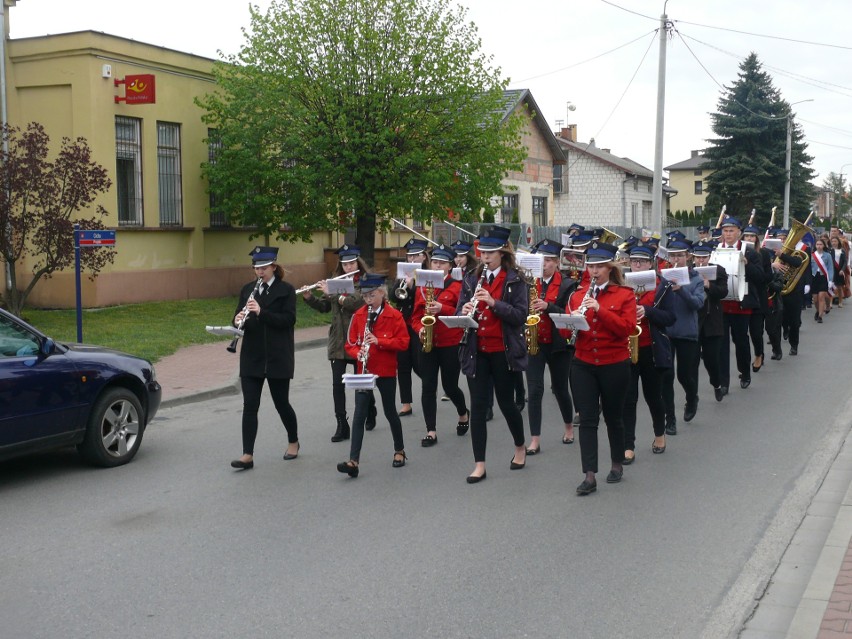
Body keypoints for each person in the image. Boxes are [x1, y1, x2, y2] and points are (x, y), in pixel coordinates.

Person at [457, 225, 529, 484]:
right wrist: (464, 311)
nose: (484, 257)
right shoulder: (471, 279)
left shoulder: (516, 280)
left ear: (502, 252)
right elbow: (457, 314)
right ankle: (479, 464)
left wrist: (493, 303)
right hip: (477, 351)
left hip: (503, 351)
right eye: (482, 251)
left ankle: (520, 446)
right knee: (477, 407)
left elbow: (520, 315)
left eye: (490, 252)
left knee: (507, 404)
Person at [565, 241, 636, 496]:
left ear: (609, 267)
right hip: (583, 363)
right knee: (587, 419)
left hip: (614, 364)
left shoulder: (624, 295)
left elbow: (626, 328)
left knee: (613, 417)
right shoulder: (577, 295)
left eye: (598, 266)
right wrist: (568, 323)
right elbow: (566, 331)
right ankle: (589, 475)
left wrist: (600, 310)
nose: (593, 271)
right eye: (590, 266)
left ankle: (617, 463)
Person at [230, 246, 299, 470]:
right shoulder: (248, 289)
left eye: (263, 268)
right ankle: (247, 454)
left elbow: (287, 320)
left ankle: (293, 440)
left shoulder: (286, 290)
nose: (259, 272)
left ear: (273, 267)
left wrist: (261, 312)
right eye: (256, 268)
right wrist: (238, 319)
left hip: (278, 355)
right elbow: (239, 317)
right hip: (253, 355)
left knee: (282, 404)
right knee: (250, 405)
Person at [337, 274, 410, 478]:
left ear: (382, 293)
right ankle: (353, 461)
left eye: (371, 295)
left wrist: (380, 342)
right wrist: (357, 353)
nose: (367, 299)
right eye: (364, 295)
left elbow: (403, 343)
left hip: (385, 370)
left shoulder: (394, 316)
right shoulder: (359, 315)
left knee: (390, 412)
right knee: (359, 413)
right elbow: (350, 343)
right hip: (364, 371)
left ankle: (399, 450)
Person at [302, 244, 375, 442]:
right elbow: (325, 307)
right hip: (338, 341)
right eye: (345, 264)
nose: (349, 268)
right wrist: (310, 298)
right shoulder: (335, 282)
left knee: (362, 380)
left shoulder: (365, 282)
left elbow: (355, 303)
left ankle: (371, 408)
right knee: (337, 385)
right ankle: (342, 424)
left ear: (357, 262)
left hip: (358, 339)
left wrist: (334, 293)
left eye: (352, 263)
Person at [523, 239, 578, 455]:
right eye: (541, 260)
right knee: (535, 390)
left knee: (560, 388)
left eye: (548, 260)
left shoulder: (567, 285)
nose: (543, 264)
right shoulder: (528, 283)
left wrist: (548, 306)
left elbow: (568, 313)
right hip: (535, 342)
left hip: (558, 345)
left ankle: (568, 427)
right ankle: (535, 439)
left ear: (556, 262)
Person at [411, 244, 469, 446]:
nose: (437, 266)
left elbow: (463, 312)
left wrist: (442, 307)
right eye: (434, 262)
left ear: (450, 265)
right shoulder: (423, 285)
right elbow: (416, 316)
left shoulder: (457, 285)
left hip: (450, 342)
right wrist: (419, 328)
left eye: (442, 263)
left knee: (450, 386)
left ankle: (463, 412)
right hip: (427, 341)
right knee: (428, 386)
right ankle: (431, 431)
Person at [621, 240, 674, 462]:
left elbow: (670, 318)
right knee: (628, 399)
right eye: (634, 262)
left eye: (642, 262)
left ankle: (659, 434)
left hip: (652, 351)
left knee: (654, 397)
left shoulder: (663, 286)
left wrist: (648, 311)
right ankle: (628, 445)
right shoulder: (622, 286)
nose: (638, 266)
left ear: (651, 264)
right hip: (627, 350)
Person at [660, 238, 705, 434]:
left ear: (688, 257)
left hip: (687, 333)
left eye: (680, 255)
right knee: (666, 377)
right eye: (672, 255)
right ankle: (670, 419)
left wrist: (681, 290)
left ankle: (692, 397)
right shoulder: (663, 278)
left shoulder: (696, 279)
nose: (676, 259)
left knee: (684, 375)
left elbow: (697, 304)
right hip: (666, 333)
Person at [717, 217, 764, 393]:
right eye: (725, 230)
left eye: (731, 231)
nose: (728, 234)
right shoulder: (716, 250)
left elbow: (759, 277)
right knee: (721, 344)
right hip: (721, 305)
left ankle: (745, 373)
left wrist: (747, 263)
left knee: (741, 341)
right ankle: (723, 382)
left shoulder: (749, 251)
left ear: (739, 232)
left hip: (741, 305)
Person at [390, 238, 428, 417]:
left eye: (417, 256)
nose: (412, 260)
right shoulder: (402, 273)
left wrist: (413, 286)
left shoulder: (429, 274)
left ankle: (430, 386)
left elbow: (425, 298)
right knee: (402, 364)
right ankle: (406, 402)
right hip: (402, 323)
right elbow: (393, 296)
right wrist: (401, 282)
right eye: (410, 256)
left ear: (424, 256)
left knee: (419, 363)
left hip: (419, 323)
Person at [691, 240, 729, 400]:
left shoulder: (718, 271)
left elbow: (723, 292)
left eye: (704, 257)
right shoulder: (687, 272)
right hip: (693, 323)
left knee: (711, 359)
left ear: (709, 257)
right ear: (693, 257)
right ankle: (692, 397)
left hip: (712, 322)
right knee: (691, 363)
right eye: (698, 257)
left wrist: (709, 285)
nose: (701, 261)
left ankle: (716, 383)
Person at [741, 224, 773, 374]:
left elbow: (766, 277)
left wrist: (749, 266)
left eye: (751, 236)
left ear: (756, 239)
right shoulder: (739, 252)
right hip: (743, 296)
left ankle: (759, 354)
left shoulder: (764, 254)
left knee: (756, 331)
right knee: (742, 333)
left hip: (758, 297)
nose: (749, 239)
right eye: (746, 236)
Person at [774, 227, 808, 357]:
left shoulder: (795, 252)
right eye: (780, 239)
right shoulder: (771, 252)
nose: (782, 241)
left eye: (784, 238)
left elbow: (798, 262)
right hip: (777, 289)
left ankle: (794, 345)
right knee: (779, 319)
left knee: (794, 321)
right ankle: (777, 347)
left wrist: (782, 255)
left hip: (794, 290)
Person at [811, 237, 834, 323]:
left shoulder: (827, 255)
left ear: (824, 245)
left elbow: (830, 268)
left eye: (821, 244)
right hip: (814, 277)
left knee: (821, 297)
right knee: (815, 299)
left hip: (823, 277)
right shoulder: (812, 255)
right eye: (817, 244)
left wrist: (830, 280)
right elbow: (809, 268)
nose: (819, 246)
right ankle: (818, 310)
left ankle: (820, 316)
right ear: (815, 245)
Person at [829, 235, 847, 309]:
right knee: (831, 287)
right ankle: (830, 303)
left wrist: (842, 270)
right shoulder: (830, 251)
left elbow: (845, 262)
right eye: (832, 241)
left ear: (838, 242)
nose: (834, 243)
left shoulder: (842, 250)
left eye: (835, 241)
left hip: (840, 271)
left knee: (839, 287)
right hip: (832, 271)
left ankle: (840, 302)